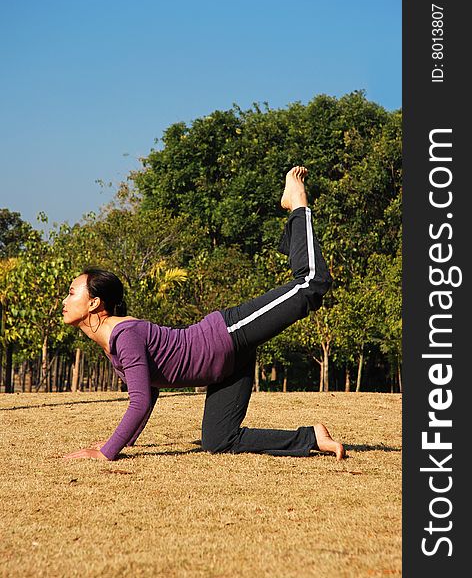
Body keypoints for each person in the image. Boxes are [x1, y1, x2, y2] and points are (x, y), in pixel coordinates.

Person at [63, 166, 345, 462]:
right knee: (218, 440)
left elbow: (140, 400)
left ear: (95, 303)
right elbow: (150, 391)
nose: (65, 301)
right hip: (224, 367)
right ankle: (312, 436)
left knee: (311, 284)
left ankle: (298, 203)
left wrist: (106, 452)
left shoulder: (124, 335)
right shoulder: (112, 343)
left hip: (228, 334)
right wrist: (125, 441)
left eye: (72, 292)